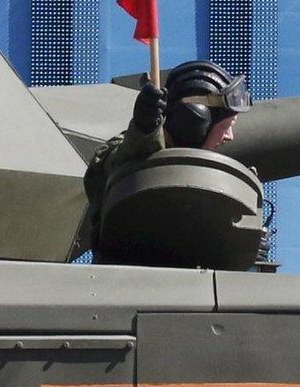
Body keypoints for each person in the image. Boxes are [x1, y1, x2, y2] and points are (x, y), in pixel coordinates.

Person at [82, 60, 255, 253]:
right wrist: (144, 130)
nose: (229, 136)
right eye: (225, 126)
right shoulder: (125, 152)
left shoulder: (210, 172)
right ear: (195, 122)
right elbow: (107, 170)